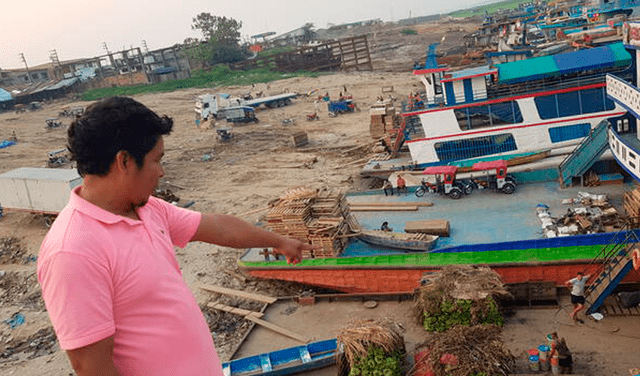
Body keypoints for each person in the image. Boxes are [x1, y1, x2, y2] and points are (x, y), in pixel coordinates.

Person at [37, 97, 317, 376]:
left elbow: (217, 227)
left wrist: (278, 241)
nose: (161, 172)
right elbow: (92, 366)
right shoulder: (73, 251)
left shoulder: (147, 209)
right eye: (156, 160)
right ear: (123, 161)